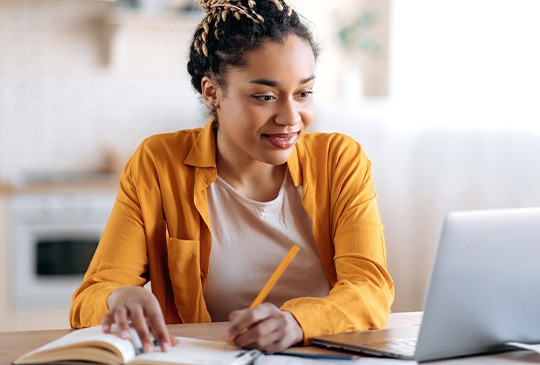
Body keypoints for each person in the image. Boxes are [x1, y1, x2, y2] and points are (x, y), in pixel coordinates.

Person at [70, 0, 394, 355]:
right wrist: (118, 298)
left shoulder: (339, 161)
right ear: (212, 92)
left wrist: (296, 323)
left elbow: (369, 288)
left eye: (303, 93)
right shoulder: (159, 164)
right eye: (265, 96)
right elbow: (90, 298)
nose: (290, 117)